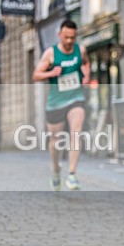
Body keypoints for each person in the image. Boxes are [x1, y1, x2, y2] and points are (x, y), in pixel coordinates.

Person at [32, 19, 90, 190]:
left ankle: (72, 174)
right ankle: (56, 169)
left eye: (72, 37)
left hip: (75, 98)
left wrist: (86, 76)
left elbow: (86, 63)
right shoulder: (51, 53)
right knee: (55, 141)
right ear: (59, 35)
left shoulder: (81, 50)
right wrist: (51, 72)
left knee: (76, 132)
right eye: (66, 37)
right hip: (56, 102)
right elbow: (36, 75)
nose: (69, 41)